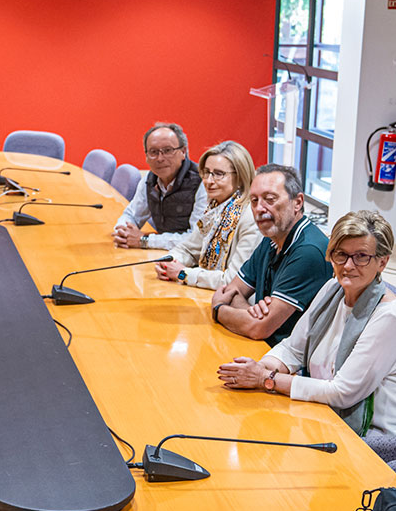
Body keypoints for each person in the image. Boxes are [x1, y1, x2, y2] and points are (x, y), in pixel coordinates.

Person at [215, 211, 396, 436]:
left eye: (361, 256)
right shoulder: (332, 290)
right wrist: (259, 368)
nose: (348, 265)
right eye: (340, 254)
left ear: (383, 262)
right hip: (324, 418)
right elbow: (293, 348)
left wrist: (266, 379)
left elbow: (342, 392)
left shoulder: (390, 316)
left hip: (376, 439)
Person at [210, 164, 331, 345]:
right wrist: (250, 314)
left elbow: (259, 328)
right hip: (260, 346)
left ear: (297, 202)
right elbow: (232, 290)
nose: (259, 208)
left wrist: (219, 309)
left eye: (269, 199)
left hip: (289, 362)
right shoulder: (272, 236)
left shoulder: (309, 251)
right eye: (254, 201)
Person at [154, 140, 262, 289]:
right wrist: (169, 262)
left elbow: (233, 281)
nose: (208, 181)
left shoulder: (251, 218)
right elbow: (188, 250)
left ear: (240, 177)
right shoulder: (215, 208)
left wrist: (183, 274)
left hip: (237, 305)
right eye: (206, 173)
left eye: (219, 174)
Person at [112, 122, 208, 250]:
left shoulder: (203, 183)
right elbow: (131, 215)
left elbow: (196, 241)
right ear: (146, 156)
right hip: (163, 254)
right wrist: (123, 231)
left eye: (168, 151)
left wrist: (144, 240)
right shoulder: (150, 179)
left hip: (194, 262)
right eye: (153, 152)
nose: (160, 158)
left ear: (183, 151)